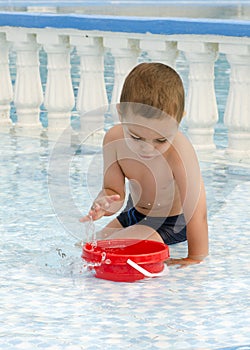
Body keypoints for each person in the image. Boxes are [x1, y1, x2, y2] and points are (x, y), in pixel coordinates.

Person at [80, 62, 208, 267]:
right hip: (134, 214)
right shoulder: (114, 140)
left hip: (172, 223)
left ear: (178, 121)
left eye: (160, 140)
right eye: (137, 137)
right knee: (88, 248)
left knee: (127, 245)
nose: (147, 148)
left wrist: (195, 257)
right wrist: (104, 203)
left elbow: (197, 210)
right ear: (122, 115)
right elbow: (114, 191)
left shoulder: (179, 152)